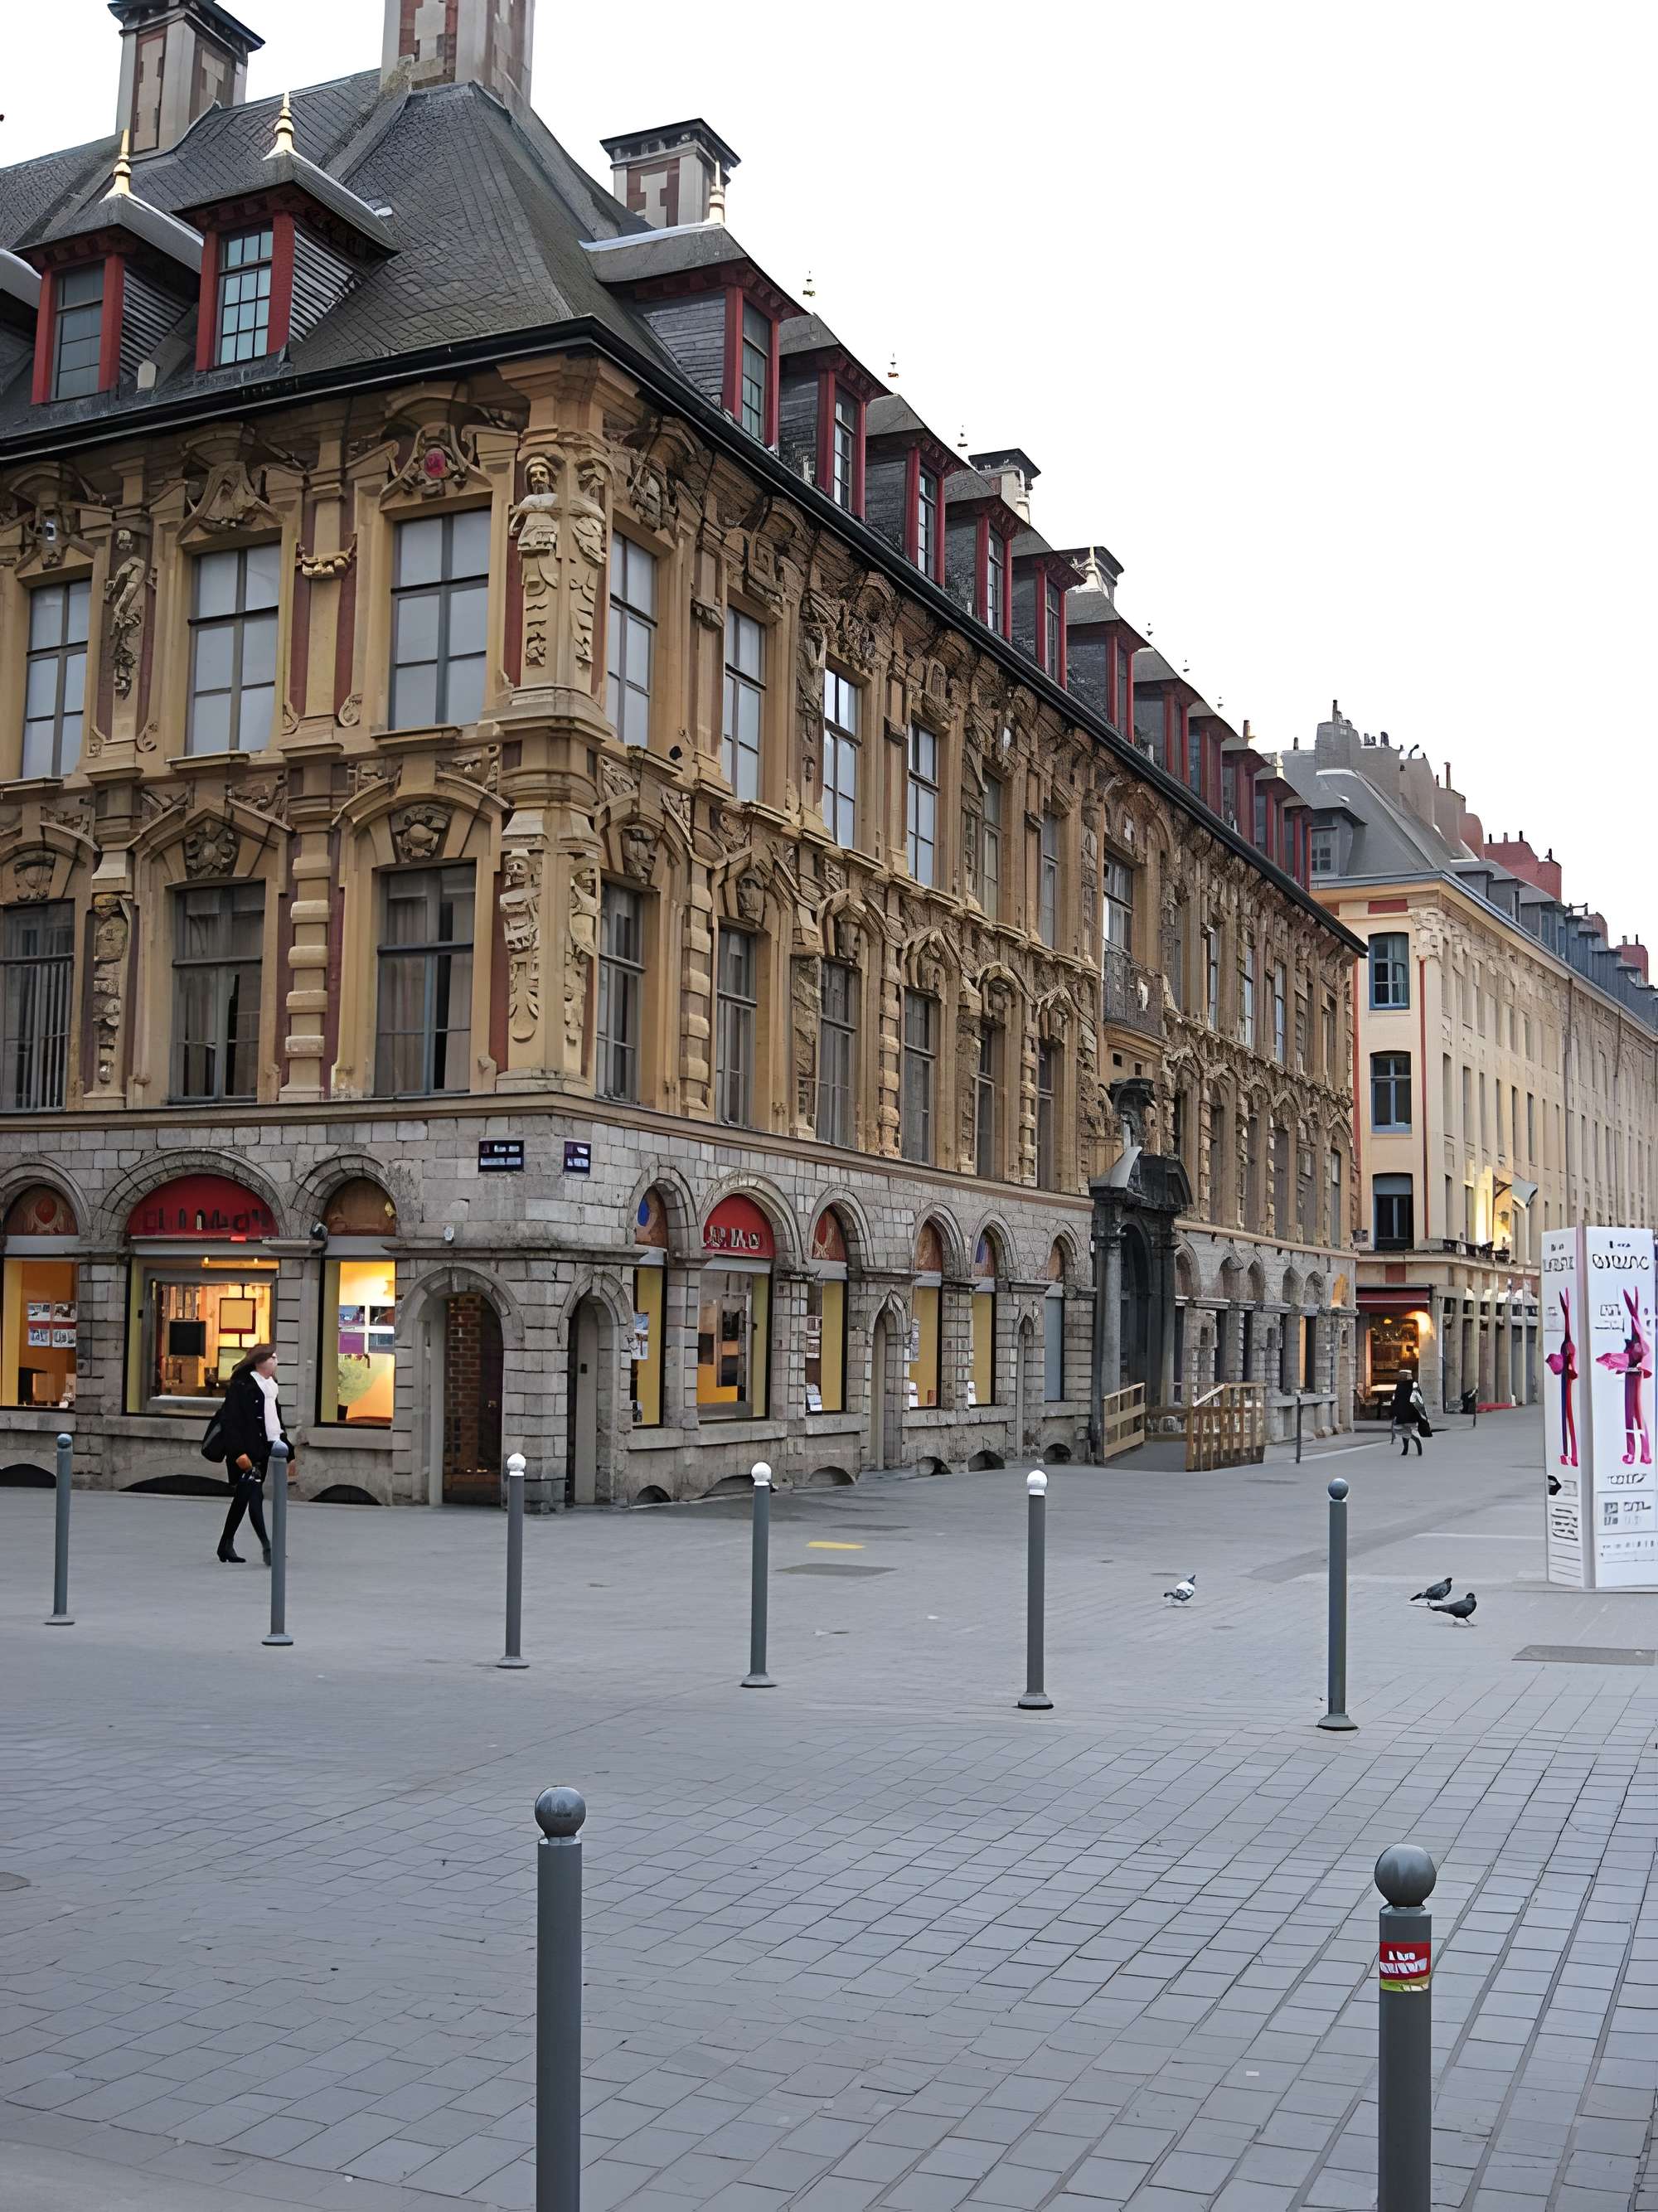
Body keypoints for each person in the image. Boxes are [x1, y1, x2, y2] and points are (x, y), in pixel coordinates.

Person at [216, 1345, 289, 1564]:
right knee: (254, 1495)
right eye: (272, 1358)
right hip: (245, 1452)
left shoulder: (270, 1387)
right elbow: (231, 1421)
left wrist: (288, 1449)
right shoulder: (242, 1385)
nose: (275, 1362)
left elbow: (276, 1421)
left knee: (243, 1498)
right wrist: (238, 1453)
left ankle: (225, 1544)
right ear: (259, 1361)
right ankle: (267, 1546)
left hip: (264, 1449)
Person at [1389, 1365, 1426, 1457]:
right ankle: (1407, 1448)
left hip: (1407, 1410)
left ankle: (1413, 1443)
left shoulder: (1409, 1385)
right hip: (1407, 1410)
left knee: (1404, 1428)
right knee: (1404, 1428)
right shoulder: (1405, 1384)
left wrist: (1394, 1407)